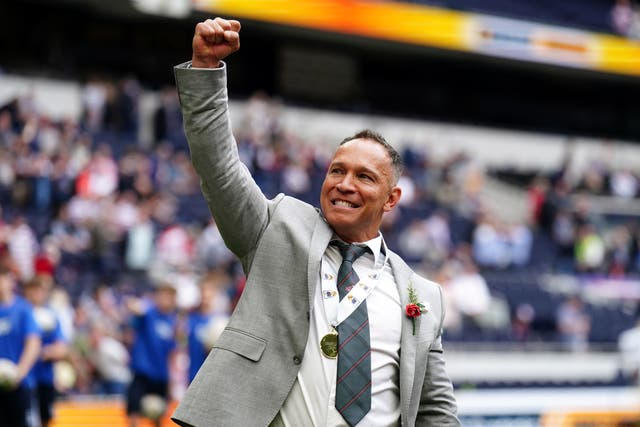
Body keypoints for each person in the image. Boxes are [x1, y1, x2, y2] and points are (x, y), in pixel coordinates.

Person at [171, 17, 459, 426]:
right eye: (337, 171)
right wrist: (205, 71)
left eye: (364, 177)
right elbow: (218, 166)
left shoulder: (423, 295)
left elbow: (435, 410)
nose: (345, 185)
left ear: (392, 199)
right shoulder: (276, 227)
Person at [125, 281, 178, 427]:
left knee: (158, 412)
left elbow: (172, 352)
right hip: (142, 372)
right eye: (161, 296)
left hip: (161, 375)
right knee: (134, 412)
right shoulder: (148, 313)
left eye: (168, 297)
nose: (164, 300)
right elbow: (133, 306)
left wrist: (172, 380)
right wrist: (139, 305)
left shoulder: (173, 322)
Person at [23, 274, 69, 427]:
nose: (38, 294)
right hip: (23, 380)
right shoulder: (19, 312)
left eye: (42, 290)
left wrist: (43, 352)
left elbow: (62, 349)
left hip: (44, 378)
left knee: (45, 419)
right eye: (34, 290)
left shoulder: (50, 316)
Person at [0, 266, 41, 427]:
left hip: (19, 385)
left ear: (9, 281)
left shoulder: (23, 309)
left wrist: (19, 373)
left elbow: (33, 343)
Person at [186, 271, 230, 383]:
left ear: (215, 293)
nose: (206, 294)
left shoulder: (221, 322)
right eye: (203, 290)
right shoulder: (190, 318)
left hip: (210, 379)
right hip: (191, 376)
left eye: (209, 290)